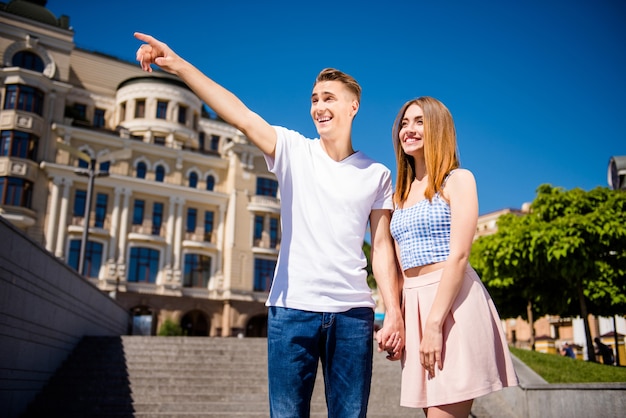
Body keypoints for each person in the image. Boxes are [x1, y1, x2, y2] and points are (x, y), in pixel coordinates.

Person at [134, 33, 404, 418]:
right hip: (292, 309)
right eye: (314, 99)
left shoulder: (376, 174)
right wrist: (176, 64)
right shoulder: (293, 149)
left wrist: (392, 311)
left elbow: (380, 248)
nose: (318, 106)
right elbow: (239, 114)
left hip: (352, 314)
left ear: (353, 106)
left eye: (328, 98)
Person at [388, 97, 518, 417]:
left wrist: (434, 323)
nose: (409, 129)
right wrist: (402, 320)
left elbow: (459, 255)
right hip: (415, 304)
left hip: (453, 304)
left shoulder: (457, 179)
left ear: (438, 128)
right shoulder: (398, 195)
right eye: (404, 123)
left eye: (419, 121)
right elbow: (400, 266)